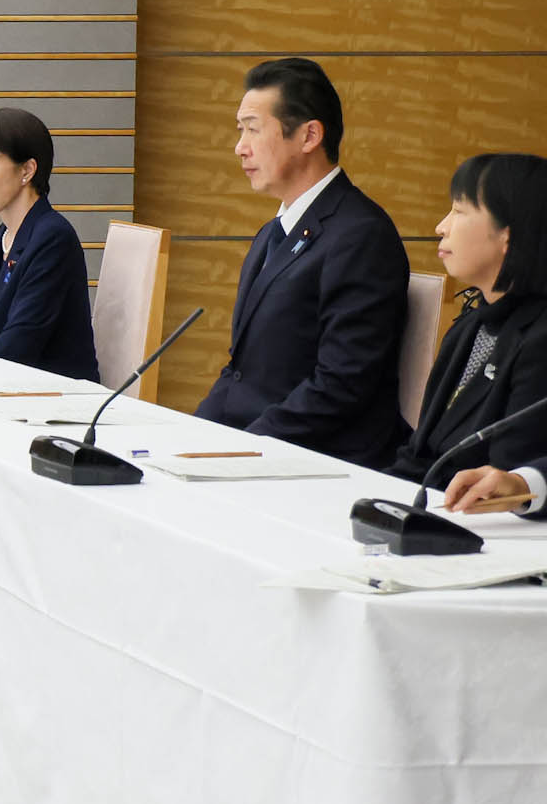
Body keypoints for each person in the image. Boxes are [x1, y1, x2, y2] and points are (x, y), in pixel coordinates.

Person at [195, 57, 409, 468]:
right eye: (240, 130)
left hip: (321, 462)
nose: (240, 147)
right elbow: (240, 373)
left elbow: (341, 384)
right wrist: (188, 437)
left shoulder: (360, 235)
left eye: (253, 129)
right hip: (265, 449)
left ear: (309, 135)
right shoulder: (272, 232)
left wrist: (242, 450)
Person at [388, 153, 547, 516]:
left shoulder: (539, 339)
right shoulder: (470, 325)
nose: (441, 226)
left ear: (509, 233)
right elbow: (419, 455)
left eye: (459, 211)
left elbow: (506, 476)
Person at [0, 107, 97, 383]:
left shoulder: (53, 237)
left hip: (53, 398)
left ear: (27, 170)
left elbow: (22, 338)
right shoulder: (6, 234)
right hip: (11, 389)